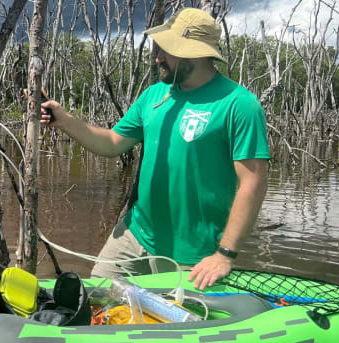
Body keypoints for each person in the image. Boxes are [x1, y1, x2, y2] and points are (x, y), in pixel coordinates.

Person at [40, 8, 269, 290]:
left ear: (195, 53)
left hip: (193, 254)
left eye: (166, 50)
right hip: (135, 234)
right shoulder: (154, 96)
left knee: (171, 327)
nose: (158, 57)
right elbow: (112, 142)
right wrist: (64, 120)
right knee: (100, 298)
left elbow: (253, 183)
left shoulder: (239, 104)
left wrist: (224, 254)